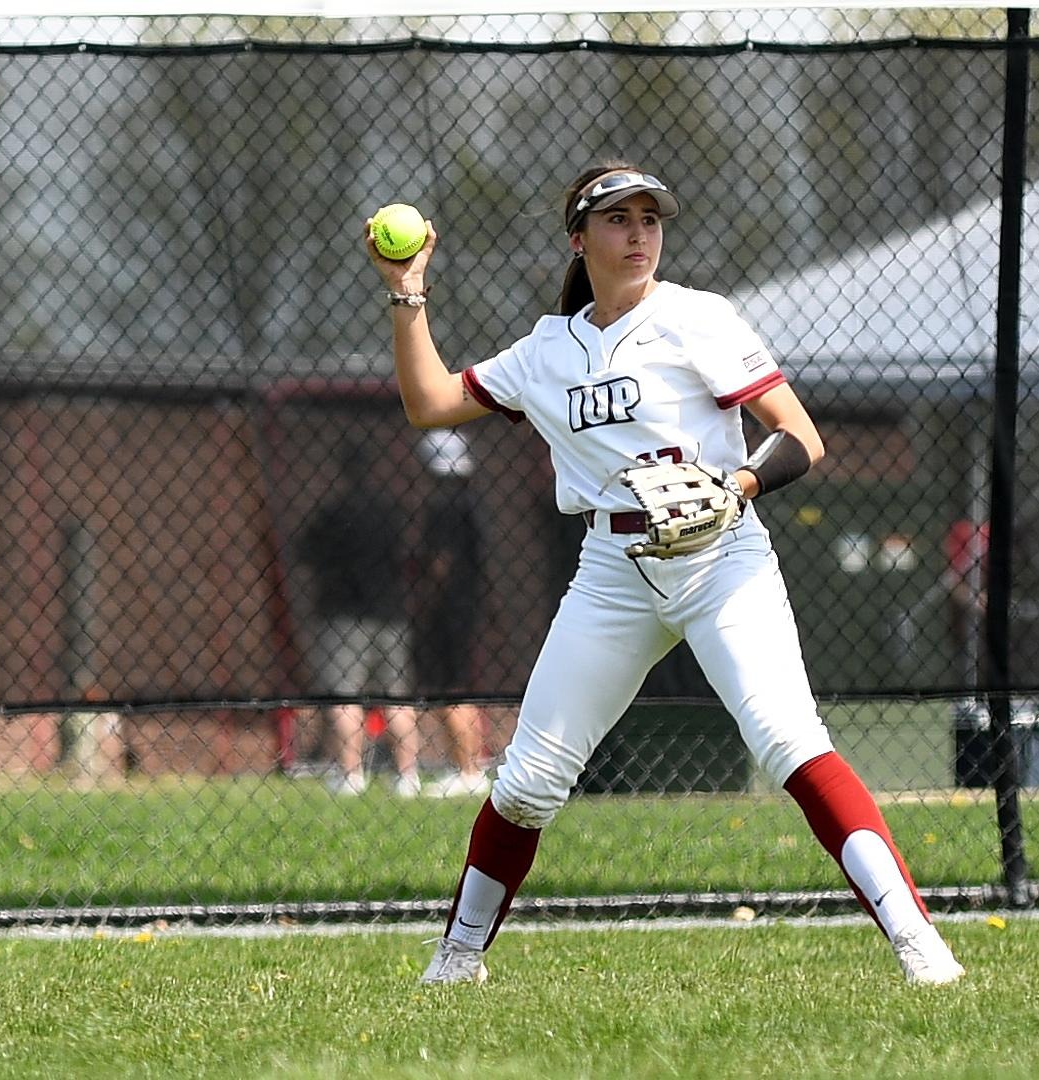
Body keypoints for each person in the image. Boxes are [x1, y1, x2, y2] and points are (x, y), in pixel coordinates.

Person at [365, 161, 963, 986]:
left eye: (651, 217)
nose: (640, 232)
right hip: (612, 570)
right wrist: (408, 291)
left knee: (789, 741)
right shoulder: (547, 350)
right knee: (531, 780)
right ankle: (458, 956)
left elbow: (800, 436)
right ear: (580, 239)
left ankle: (919, 944)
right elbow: (429, 402)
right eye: (618, 219)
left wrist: (737, 486)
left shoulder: (698, 319)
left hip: (722, 557)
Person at [300, 442, 419, 797]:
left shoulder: (333, 513)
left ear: (343, 470)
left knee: (344, 696)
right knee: (398, 697)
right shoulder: (390, 512)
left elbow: (306, 553)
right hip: (391, 612)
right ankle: (407, 776)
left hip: (343, 613)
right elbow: (407, 555)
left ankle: (351, 775)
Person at [408, 429, 491, 799]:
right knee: (461, 688)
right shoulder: (472, 503)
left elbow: (440, 564)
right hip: (467, 603)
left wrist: (424, 602)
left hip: (447, 608)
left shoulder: (442, 507)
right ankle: (469, 767)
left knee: (450, 690)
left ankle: (466, 769)